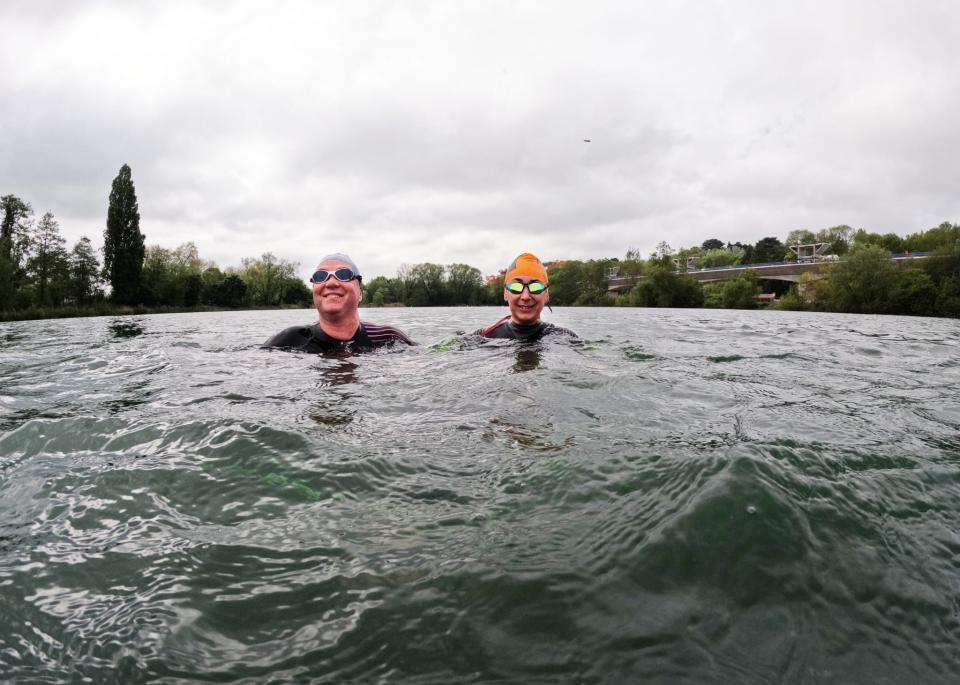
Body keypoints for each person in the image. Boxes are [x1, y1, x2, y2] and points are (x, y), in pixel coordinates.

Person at [263, 253, 414, 353]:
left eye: (343, 274)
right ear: (314, 291)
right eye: (321, 276)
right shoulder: (289, 339)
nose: (331, 283)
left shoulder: (389, 337)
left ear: (360, 293)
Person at [474, 252, 577, 340]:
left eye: (535, 287)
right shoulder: (482, 337)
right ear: (505, 293)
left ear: (546, 294)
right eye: (516, 287)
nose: (525, 296)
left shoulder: (565, 337)